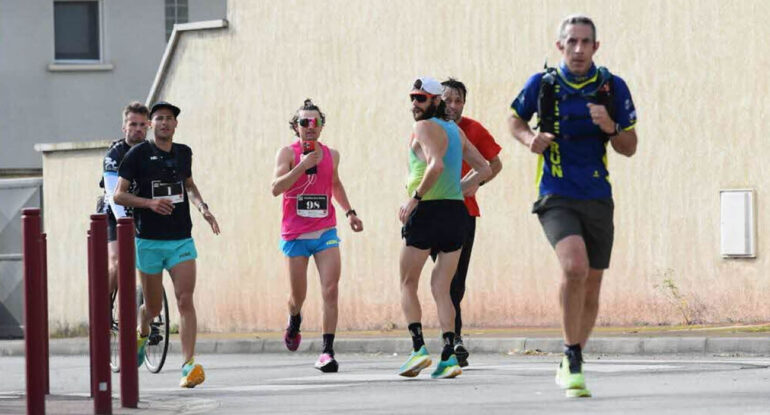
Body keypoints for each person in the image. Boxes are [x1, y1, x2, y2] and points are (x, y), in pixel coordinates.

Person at [508, 15, 638, 397]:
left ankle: (573, 358)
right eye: (571, 42)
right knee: (574, 266)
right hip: (555, 193)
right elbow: (514, 120)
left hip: (598, 194)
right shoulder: (543, 84)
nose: (578, 49)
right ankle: (571, 353)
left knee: (593, 282)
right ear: (559, 45)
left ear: (596, 47)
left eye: (585, 42)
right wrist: (529, 138)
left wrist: (611, 126)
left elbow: (630, 146)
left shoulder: (612, 87)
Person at [114, 101, 220, 388]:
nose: (164, 123)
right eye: (159, 118)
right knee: (153, 306)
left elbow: (188, 185)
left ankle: (188, 365)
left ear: (175, 124)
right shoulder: (137, 154)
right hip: (148, 240)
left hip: (180, 238)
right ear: (151, 124)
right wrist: (149, 203)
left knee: (185, 300)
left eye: (169, 119)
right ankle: (142, 329)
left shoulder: (184, 153)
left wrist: (203, 207)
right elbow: (119, 195)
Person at [398, 77, 491, 379]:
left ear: (435, 101)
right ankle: (449, 357)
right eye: (413, 97)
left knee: (408, 283)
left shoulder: (424, 127)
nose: (415, 103)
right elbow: (485, 167)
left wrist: (414, 200)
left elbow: (435, 165)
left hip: (427, 212)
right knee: (442, 288)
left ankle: (417, 350)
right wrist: (464, 188)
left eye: (421, 98)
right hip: (455, 213)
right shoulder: (456, 130)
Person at [271, 99, 363, 373]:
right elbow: (276, 188)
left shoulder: (331, 155)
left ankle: (327, 351)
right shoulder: (287, 153)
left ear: (321, 126)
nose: (310, 127)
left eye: (315, 122)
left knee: (331, 289)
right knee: (298, 296)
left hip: (325, 231)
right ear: (296, 127)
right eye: (304, 122)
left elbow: (334, 184)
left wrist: (350, 212)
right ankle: (294, 318)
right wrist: (301, 165)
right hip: (295, 235)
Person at [439, 78, 503, 367]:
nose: (453, 106)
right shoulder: (428, 128)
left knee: (455, 282)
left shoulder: (473, 130)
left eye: (459, 100)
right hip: (430, 212)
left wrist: (476, 183)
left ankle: (455, 340)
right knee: (440, 281)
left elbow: (495, 164)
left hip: (464, 212)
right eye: (448, 100)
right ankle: (444, 339)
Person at [98, 101, 149, 299]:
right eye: (133, 124)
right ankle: (103, 307)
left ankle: (148, 319)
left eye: (142, 125)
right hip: (114, 212)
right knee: (118, 262)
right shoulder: (115, 154)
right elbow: (113, 194)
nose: (138, 129)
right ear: (124, 127)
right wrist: (124, 223)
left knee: (150, 262)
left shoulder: (152, 151)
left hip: (140, 210)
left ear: (148, 126)